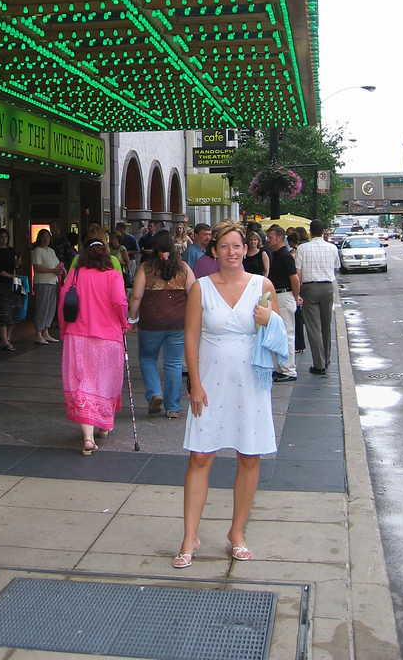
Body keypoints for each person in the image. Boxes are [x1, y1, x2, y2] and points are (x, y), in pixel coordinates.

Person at [175, 220, 282, 568]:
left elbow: (280, 337)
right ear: (214, 250)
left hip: (251, 383)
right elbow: (190, 337)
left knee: (249, 457)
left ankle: (237, 532)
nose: (231, 253)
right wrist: (194, 383)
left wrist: (269, 319)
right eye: (224, 247)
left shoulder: (262, 285)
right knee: (200, 457)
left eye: (237, 246)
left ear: (247, 248)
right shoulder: (200, 288)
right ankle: (190, 536)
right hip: (211, 381)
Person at [58, 228, 129, 454]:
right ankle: (104, 424)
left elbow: (63, 303)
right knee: (106, 380)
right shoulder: (113, 275)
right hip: (108, 338)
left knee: (82, 383)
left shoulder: (76, 274)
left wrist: (63, 330)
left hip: (77, 337)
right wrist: (124, 323)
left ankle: (88, 437)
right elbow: (120, 303)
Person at [129, 229, 196, 419]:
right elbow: (194, 294)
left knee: (148, 358)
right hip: (177, 322)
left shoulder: (146, 269)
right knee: (173, 364)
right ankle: (173, 407)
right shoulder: (183, 268)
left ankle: (155, 393)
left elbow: (136, 296)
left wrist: (133, 319)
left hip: (151, 322)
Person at [294, 220, 340, 375]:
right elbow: (336, 268)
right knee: (326, 325)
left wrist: (297, 292)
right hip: (327, 287)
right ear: (323, 231)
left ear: (310, 232)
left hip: (309, 288)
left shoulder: (302, 248)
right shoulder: (332, 248)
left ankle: (318, 363)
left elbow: (298, 272)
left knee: (313, 328)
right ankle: (326, 358)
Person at [265, 225, 300, 383]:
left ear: (279, 238)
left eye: (271, 237)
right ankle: (281, 367)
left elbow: (294, 278)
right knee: (279, 332)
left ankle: (289, 369)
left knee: (287, 333)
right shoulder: (277, 254)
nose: (268, 240)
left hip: (284, 295)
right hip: (279, 295)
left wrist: (295, 296)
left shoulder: (284, 256)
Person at [0, 228, 22, 351]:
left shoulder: (11, 250)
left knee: (16, 310)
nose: (4, 239)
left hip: (12, 284)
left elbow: (15, 266)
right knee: (4, 311)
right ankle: (4, 340)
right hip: (1, 284)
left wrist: (18, 264)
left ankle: (7, 336)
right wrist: (9, 276)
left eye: (6, 237)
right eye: (1, 237)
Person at [31, 229, 63, 344]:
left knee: (51, 307)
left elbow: (57, 263)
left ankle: (46, 331)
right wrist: (52, 270)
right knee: (42, 307)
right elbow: (37, 267)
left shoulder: (51, 251)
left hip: (52, 282)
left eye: (48, 237)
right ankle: (38, 332)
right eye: (44, 237)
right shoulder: (37, 251)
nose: (46, 239)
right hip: (42, 282)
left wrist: (59, 270)